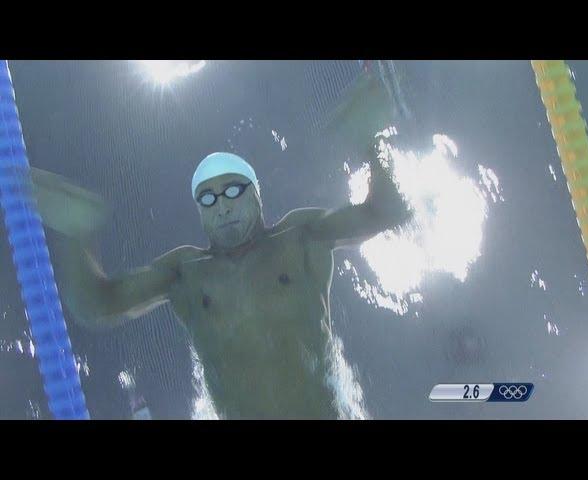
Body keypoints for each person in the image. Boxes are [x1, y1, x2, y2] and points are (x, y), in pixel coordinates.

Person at [33, 145, 412, 419]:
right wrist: (76, 235)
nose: (223, 205)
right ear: (199, 212)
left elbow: (386, 212)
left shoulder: (300, 236)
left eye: (233, 190)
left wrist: (370, 144)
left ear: (256, 194)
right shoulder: (186, 273)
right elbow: (97, 306)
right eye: (208, 198)